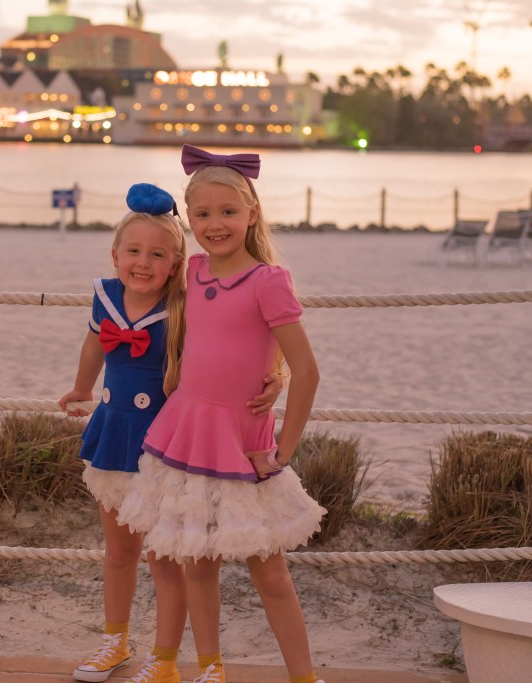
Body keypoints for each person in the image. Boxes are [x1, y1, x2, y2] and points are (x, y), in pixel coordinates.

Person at [117, 145, 327, 683]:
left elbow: (307, 370)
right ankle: (210, 668)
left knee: (271, 573)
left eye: (228, 212)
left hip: (244, 445)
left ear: (251, 213)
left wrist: (283, 449)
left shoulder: (268, 280)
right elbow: (142, 286)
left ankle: (304, 677)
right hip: (186, 433)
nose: (215, 224)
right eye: (203, 214)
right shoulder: (193, 270)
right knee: (197, 563)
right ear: (189, 219)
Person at [60, 182, 283, 683]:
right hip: (112, 432)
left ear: (177, 263)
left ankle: (163, 660)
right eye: (133, 251)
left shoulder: (185, 303)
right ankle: (115, 641)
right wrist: (81, 387)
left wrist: (277, 374)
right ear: (115, 255)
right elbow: (94, 344)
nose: (143, 263)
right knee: (119, 551)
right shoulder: (104, 295)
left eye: (158, 254)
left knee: (165, 559)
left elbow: (237, 340)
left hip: (164, 447)